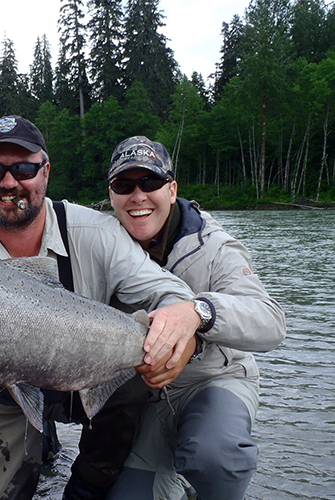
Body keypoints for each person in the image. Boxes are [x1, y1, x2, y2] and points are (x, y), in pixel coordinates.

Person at [0, 116, 206, 500]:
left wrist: (183, 322)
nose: (9, 181)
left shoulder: (95, 231)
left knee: (130, 380)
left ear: (45, 172)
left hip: (96, 381)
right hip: (0, 396)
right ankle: (38, 443)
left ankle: (87, 483)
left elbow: (172, 293)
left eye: (24, 168)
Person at [102, 136, 286, 500]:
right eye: (124, 185)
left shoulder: (216, 246)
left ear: (172, 190)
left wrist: (199, 312)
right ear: (111, 195)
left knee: (215, 458)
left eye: (150, 183)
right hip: (147, 404)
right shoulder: (99, 242)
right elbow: (45, 223)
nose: (138, 196)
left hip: (215, 382)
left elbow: (270, 321)